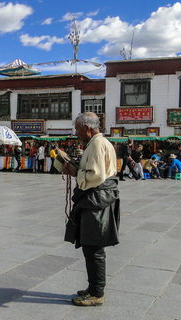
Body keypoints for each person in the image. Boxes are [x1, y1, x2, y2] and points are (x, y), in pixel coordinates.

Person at [63, 112, 120, 307]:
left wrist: (74, 172)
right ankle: (95, 287)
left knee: (93, 248)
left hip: (96, 199)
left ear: (87, 128)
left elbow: (95, 176)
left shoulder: (96, 144)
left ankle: (96, 293)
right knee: (92, 247)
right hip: (99, 198)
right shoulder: (101, 143)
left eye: (78, 130)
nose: (76, 133)